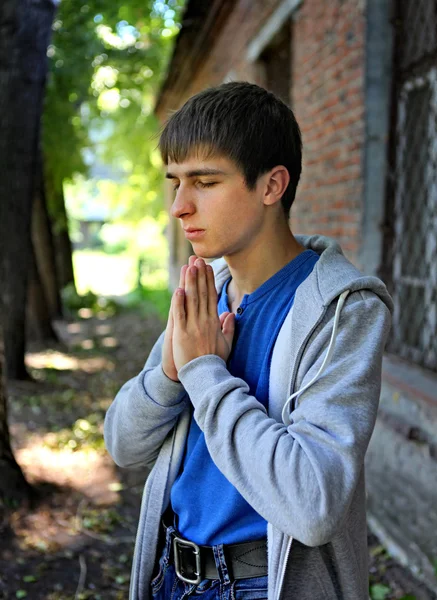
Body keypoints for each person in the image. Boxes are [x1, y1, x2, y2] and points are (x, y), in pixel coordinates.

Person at [104, 81, 393, 600]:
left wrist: (205, 375)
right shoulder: (204, 289)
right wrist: (172, 374)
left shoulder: (344, 310)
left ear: (271, 185)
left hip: (265, 586)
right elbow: (124, 446)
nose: (179, 206)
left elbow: (313, 505)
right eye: (175, 182)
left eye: (205, 182)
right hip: (170, 576)